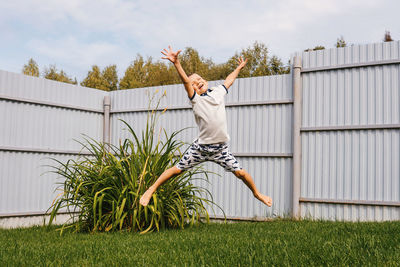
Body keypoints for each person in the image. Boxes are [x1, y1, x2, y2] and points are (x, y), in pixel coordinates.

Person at [139, 46, 272, 207]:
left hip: (221, 149)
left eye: (200, 79)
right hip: (200, 149)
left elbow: (228, 80)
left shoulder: (218, 92)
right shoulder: (196, 99)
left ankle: (257, 193)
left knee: (241, 173)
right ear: (192, 88)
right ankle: (151, 189)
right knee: (176, 170)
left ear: (206, 81)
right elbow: (185, 81)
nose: (198, 82)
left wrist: (238, 68)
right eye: (194, 83)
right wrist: (177, 63)